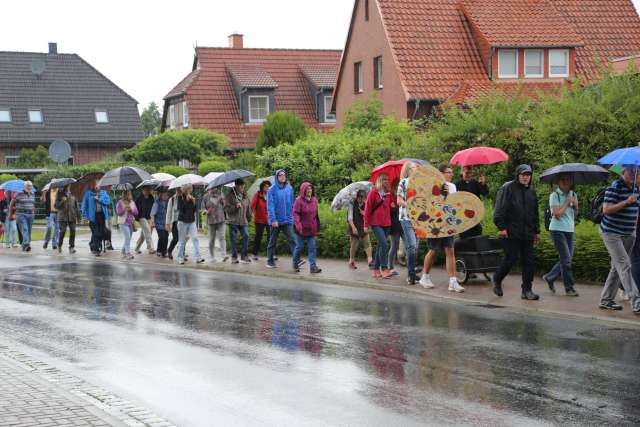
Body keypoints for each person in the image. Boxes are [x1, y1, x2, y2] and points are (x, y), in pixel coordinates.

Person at [492, 164, 541, 300]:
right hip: (510, 232)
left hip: (527, 233)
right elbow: (499, 210)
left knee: (529, 261)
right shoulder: (507, 188)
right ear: (518, 175)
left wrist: (537, 231)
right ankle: (497, 279)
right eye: (523, 174)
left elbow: (535, 213)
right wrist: (501, 228)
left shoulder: (531, 192)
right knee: (511, 258)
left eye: (528, 175)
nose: (526, 177)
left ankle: (527, 290)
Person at [598, 166, 640, 314]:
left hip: (629, 233)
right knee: (625, 265)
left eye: (636, 171)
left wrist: (634, 227)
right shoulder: (614, 187)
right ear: (623, 171)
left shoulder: (637, 188)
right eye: (631, 171)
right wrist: (627, 202)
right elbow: (606, 209)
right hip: (611, 233)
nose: (634, 173)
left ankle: (606, 300)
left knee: (617, 267)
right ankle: (637, 302)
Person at [419, 165, 465, 292]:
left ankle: (453, 282)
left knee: (450, 250)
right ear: (440, 173)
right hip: (435, 223)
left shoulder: (452, 186)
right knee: (433, 250)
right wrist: (442, 194)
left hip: (448, 222)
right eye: (448, 172)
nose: (451, 174)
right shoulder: (432, 185)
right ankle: (425, 277)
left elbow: (453, 204)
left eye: (451, 172)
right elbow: (430, 204)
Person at [542, 174, 579, 296]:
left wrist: (575, 204)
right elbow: (557, 214)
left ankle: (550, 277)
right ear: (558, 181)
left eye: (567, 179)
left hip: (569, 229)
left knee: (567, 259)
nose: (565, 181)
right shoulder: (554, 195)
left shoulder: (573, 194)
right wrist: (567, 202)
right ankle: (569, 288)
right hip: (557, 230)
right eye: (562, 179)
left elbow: (575, 214)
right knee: (566, 260)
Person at [266, 169, 297, 269]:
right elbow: (270, 206)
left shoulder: (289, 188)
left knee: (292, 240)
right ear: (277, 177)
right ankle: (270, 261)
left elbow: (292, 203)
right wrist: (273, 219)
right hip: (276, 221)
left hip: (287, 219)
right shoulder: (272, 189)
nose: (282, 177)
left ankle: (296, 260)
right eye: (280, 175)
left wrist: (293, 216)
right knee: (273, 241)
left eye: (284, 175)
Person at [364, 173, 392, 279]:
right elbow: (367, 210)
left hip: (387, 223)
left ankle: (376, 270)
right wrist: (365, 225)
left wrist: (393, 206)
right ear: (380, 180)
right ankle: (384, 268)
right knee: (384, 244)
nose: (387, 181)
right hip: (376, 223)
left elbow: (391, 208)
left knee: (381, 246)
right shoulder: (373, 193)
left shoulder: (388, 194)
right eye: (384, 179)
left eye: (387, 179)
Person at [397, 161, 419, 285]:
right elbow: (399, 200)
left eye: (416, 167)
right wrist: (409, 205)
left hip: (419, 220)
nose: (415, 169)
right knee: (411, 246)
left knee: (415, 247)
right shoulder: (403, 182)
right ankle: (411, 275)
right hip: (406, 218)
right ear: (408, 170)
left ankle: (413, 273)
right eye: (413, 167)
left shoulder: (420, 183)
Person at [293, 182, 322, 274]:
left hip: (311, 229)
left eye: (310, 189)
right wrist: (298, 225)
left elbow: (316, 215)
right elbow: (295, 213)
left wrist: (317, 226)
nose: (309, 190)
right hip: (301, 229)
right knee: (299, 247)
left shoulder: (314, 200)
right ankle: (295, 263)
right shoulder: (298, 200)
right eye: (307, 189)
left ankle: (313, 267)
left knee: (312, 248)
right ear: (303, 190)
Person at [455, 165, 489, 239]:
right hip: (463, 214)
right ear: (462, 172)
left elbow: (485, 193)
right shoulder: (457, 184)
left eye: (470, 173)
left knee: (477, 232)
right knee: (465, 234)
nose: (468, 174)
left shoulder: (475, 183)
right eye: (466, 172)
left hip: (475, 213)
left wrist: (483, 184)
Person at [225, 179, 252, 264]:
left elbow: (248, 208)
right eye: (240, 186)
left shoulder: (245, 196)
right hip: (233, 221)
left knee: (246, 236)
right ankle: (234, 257)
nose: (242, 187)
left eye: (243, 186)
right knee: (234, 240)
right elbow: (226, 209)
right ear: (236, 186)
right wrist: (235, 207)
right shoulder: (230, 196)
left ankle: (244, 256)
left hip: (243, 221)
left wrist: (249, 217)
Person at [176, 184, 204, 265]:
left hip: (191, 221)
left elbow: (195, 210)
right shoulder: (180, 197)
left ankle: (198, 257)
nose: (190, 189)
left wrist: (194, 202)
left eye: (191, 188)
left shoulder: (192, 197)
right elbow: (181, 210)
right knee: (182, 241)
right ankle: (180, 257)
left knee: (195, 238)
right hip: (182, 222)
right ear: (185, 189)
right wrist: (186, 200)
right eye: (189, 188)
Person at [81, 181, 111, 256]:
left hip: (101, 216)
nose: (96, 186)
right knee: (96, 233)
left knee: (100, 233)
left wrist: (99, 199)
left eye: (97, 184)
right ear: (92, 185)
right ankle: (96, 249)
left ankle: (92, 244)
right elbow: (84, 206)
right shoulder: (88, 194)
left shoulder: (103, 193)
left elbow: (108, 202)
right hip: (92, 217)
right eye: (94, 184)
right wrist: (85, 217)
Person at [347, 190, 373, 269]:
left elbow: (370, 216)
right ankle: (351, 261)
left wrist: (364, 213)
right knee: (354, 245)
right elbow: (350, 218)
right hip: (354, 226)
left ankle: (370, 261)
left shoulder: (366, 204)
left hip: (363, 226)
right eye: (360, 197)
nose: (361, 199)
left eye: (363, 197)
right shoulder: (352, 204)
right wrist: (353, 227)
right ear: (357, 197)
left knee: (367, 244)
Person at [202, 185, 227, 262]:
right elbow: (203, 209)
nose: (214, 188)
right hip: (211, 220)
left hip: (221, 219)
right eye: (212, 187)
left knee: (222, 237)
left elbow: (225, 206)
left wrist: (223, 201)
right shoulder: (206, 196)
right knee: (212, 239)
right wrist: (206, 211)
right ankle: (212, 256)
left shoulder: (221, 194)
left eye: (215, 187)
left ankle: (224, 255)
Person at [11, 181, 36, 252]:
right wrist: (10, 214)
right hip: (21, 214)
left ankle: (24, 245)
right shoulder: (19, 194)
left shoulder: (33, 194)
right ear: (25, 186)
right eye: (28, 185)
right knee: (25, 229)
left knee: (29, 231)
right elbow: (11, 203)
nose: (29, 187)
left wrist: (33, 212)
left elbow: (33, 204)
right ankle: (26, 244)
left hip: (30, 214)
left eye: (30, 186)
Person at [250, 180, 271, 260]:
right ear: (262, 187)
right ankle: (255, 254)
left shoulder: (270, 195)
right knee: (258, 237)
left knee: (271, 237)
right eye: (266, 186)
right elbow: (252, 205)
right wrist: (251, 214)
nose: (267, 188)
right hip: (259, 220)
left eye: (268, 186)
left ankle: (271, 254)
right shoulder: (258, 195)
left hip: (269, 219)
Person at [55, 185, 79, 254]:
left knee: (73, 231)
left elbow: (76, 206)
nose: (69, 187)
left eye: (69, 186)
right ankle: (59, 245)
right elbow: (56, 206)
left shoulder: (73, 195)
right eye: (67, 186)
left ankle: (71, 247)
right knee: (62, 231)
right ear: (65, 187)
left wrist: (79, 217)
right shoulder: (59, 195)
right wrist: (62, 201)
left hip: (72, 216)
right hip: (63, 217)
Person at [387, 179, 403, 276]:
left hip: (402, 223)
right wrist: (394, 207)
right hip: (393, 224)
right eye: (397, 186)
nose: (398, 188)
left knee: (410, 244)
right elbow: (389, 209)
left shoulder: (401, 195)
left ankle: (411, 266)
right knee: (394, 245)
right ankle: (390, 267)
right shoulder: (390, 196)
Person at [116, 190, 138, 259]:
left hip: (130, 222)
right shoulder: (120, 202)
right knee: (127, 237)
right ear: (124, 195)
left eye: (130, 194)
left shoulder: (132, 202)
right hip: (123, 223)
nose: (129, 196)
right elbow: (119, 213)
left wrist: (131, 209)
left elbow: (136, 212)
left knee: (128, 238)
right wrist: (125, 208)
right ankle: (127, 252)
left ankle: (123, 250)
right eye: (128, 194)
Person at [135, 186, 155, 254]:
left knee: (144, 234)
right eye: (146, 189)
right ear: (143, 190)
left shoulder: (151, 198)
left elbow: (152, 208)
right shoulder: (139, 198)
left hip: (148, 217)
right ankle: (151, 248)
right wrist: (136, 217)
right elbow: (136, 209)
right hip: (141, 217)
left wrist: (152, 218)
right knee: (147, 231)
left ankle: (137, 247)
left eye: (149, 189)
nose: (147, 191)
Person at [151, 190, 169, 257]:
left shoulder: (168, 202)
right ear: (161, 196)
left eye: (167, 195)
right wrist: (153, 222)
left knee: (166, 237)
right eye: (164, 195)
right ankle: (160, 251)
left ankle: (163, 251)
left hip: (166, 223)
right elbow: (152, 213)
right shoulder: (157, 203)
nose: (166, 197)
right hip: (159, 223)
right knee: (162, 237)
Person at [165, 188, 182, 260]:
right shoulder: (172, 199)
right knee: (176, 238)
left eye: (180, 190)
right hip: (175, 221)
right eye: (177, 190)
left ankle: (182, 254)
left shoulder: (185, 198)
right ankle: (169, 250)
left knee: (182, 239)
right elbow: (168, 212)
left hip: (183, 221)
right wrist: (167, 224)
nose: (179, 191)